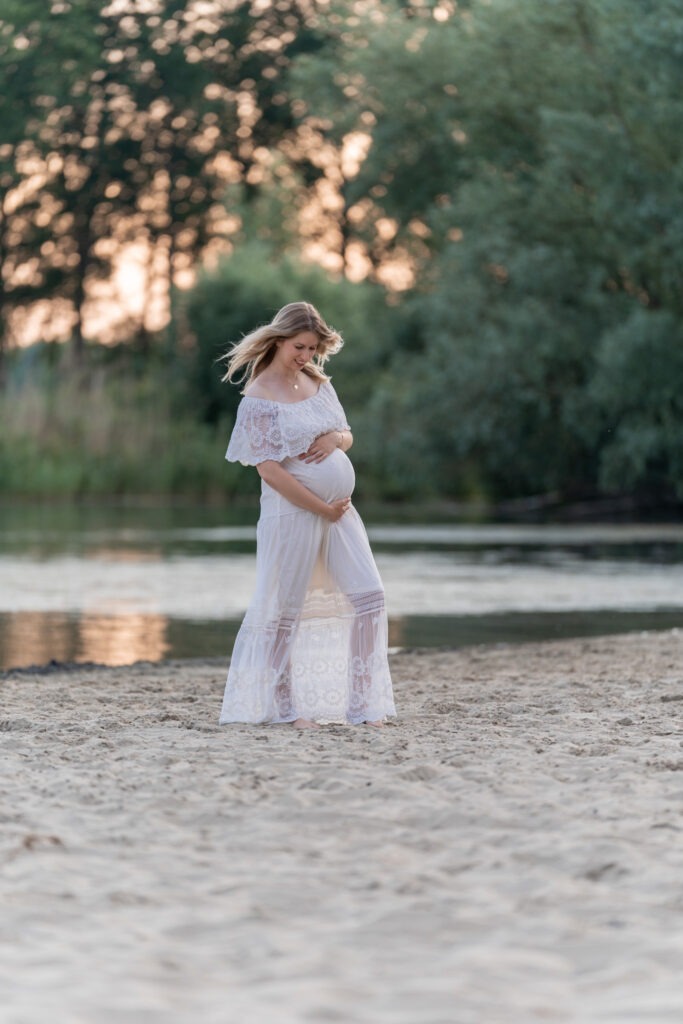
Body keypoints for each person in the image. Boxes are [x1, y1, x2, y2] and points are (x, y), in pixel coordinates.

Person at [218, 301, 396, 729]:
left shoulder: (317, 381)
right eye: (299, 347)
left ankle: (360, 705)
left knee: (369, 597)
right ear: (278, 339)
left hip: (340, 514)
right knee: (285, 610)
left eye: (313, 349)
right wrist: (321, 507)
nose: (305, 356)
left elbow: (346, 434)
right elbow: (269, 470)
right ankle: (284, 710)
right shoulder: (258, 397)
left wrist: (336, 438)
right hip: (293, 515)